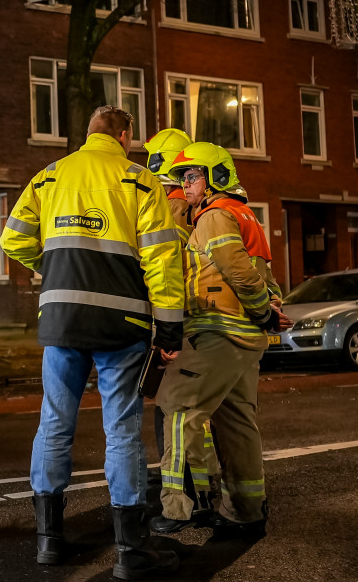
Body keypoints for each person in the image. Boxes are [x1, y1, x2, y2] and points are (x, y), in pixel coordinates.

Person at [1, 106, 184, 580]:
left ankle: (49, 542)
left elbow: (11, 239)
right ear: (124, 136)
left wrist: (51, 267)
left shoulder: (49, 177)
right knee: (121, 427)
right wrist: (169, 326)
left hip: (60, 320)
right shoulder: (140, 181)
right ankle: (130, 550)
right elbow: (162, 260)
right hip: (120, 323)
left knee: (54, 423)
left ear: (87, 135)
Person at [153, 142, 291, 539]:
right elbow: (264, 275)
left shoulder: (214, 216)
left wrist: (264, 311)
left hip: (218, 331)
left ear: (216, 177)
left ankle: (175, 509)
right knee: (237, 424)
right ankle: (244, 512)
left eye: (192, 176)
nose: (185, 185)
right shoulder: (244, 214)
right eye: (182, 178)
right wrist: (271, 308)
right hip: (245, 338)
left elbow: (236, 271)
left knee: (177, 408)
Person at [144, 128, 220, 521]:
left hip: (179, 317)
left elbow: (161, 262)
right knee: (195, 414)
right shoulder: (197, 207)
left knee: (172, 410)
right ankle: (205, 489)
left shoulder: (170, 205)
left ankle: (181, 498)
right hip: (200, 320)